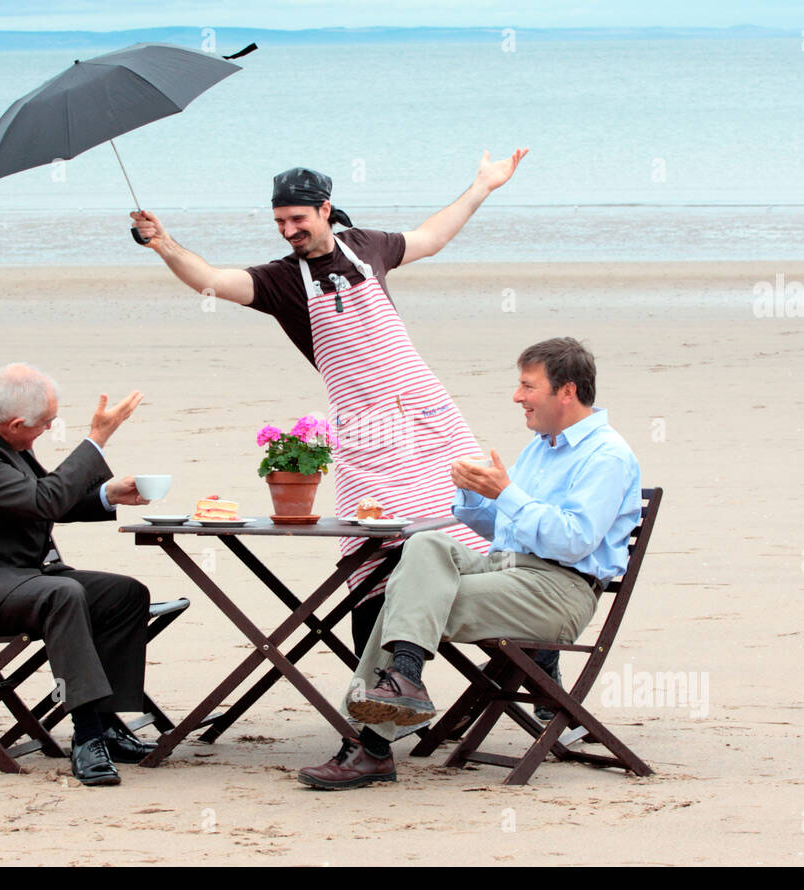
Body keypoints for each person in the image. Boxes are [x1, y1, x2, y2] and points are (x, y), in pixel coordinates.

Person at [129, 151, 528, 653]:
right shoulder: (279, 281)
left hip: (430, 424)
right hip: (366, 441)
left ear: (324, 209)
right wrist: (164, 244)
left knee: (479, 536)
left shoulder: (369, 247)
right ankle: (372, 703)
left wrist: (482, 186)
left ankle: (527, 668)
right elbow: (212, 280)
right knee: (372, 559)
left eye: (297, 218)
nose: (288, 230)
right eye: (279, 222)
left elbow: (432, 236)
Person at [296, 337, 643, 790]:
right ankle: (404, 680)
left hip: (560, 591)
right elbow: (504, 530)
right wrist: (472, 492)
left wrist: (508, 493)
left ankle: (371, 746)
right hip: (510, 569)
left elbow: (572, 541)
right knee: (425, 546)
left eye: (527, 386)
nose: (517, 397)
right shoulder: (542, 446)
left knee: (407, 597)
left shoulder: (607, 455)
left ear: (567, 391)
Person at [0, 363, 154, 786]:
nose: (47, 431)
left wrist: (105, 495)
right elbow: (44, 501)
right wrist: (98, 438)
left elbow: (44, 498)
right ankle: (86, 738)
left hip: (19, 576)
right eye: (45, 424)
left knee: (124, 594)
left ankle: (105, 723)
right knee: (62, 594)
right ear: (14, 422)